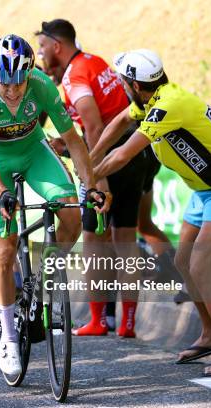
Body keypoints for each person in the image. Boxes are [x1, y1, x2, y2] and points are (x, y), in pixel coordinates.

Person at [92, 49, 211, 372]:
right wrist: (89, 156)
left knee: (201, 266)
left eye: (122, 81)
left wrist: (88, 176)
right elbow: (119, 122)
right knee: (182, 261)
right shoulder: (148, 100)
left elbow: (124, 154)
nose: (121, 86)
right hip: (204, 190)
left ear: (133, 84)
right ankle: (209, 335)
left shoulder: (169, 106)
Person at [0, 34, 108, 376]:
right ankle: (9, 338)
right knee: (5, 248)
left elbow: (73, 140)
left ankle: (44, 276)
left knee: (72, 214)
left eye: (20, 83)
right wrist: (1, 191)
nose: (13, 91)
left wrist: (89, 186)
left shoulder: (42, 86)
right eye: (6, 83)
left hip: (33, 151)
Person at [36, 19, 147, 337]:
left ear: (57, 45)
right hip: (133, 154)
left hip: (107, 160)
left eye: (43, 47)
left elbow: (94, 126)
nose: (41, 54)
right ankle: (127, 322)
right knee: (125, 241)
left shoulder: (74, 75)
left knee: (94, 242)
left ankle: (98, 320)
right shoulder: (95, 61)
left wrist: (97, 177)